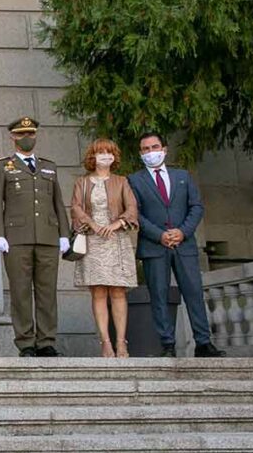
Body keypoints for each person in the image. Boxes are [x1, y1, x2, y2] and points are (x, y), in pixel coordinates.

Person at [127, 132, 226, 358]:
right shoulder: (134, 180)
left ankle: (203, 342)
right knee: (159, 296)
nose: (151, 152)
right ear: (141, 153)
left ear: (165, 148)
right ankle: (167, 344)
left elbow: (196, 207)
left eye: (154, 147)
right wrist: (159, 235)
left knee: (194, 293)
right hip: (154, 246)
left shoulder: (182, 176)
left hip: (185, 245)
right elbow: (136, 214)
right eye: (145, 149)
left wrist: (182, 231)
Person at [0, 116, 70, 357]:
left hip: (47, 235)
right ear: (13, 137)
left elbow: (58, 202)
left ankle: (46, 340)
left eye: (31, 134)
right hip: (16, 238)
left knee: (47, 292)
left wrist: (64, 234)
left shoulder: (49, 166)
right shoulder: (3, 166)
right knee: (21, 292)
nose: (27, 138)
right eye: (22, 134)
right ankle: (25, 342)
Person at [71, 138, 138, 358]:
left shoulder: (121, 181)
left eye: (109, 152)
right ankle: (106, 342)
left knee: (118, 291)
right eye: (101, 152)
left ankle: (121, 342)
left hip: (116, 240)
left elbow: (131, 208)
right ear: (93, 156)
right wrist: (93, 224)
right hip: (93, 239)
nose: (105, 156)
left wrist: (116, 224)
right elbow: (76, 207)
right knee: (98, 291)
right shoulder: (83, 182)